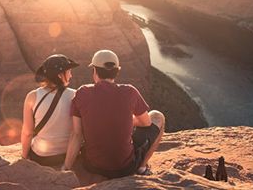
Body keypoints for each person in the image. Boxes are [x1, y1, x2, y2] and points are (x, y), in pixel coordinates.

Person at [62, 49, 165, 177]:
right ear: (117, 71)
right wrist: (127, 120)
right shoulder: (130, 92)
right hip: (125, 168)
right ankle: (142, 168)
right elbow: (146, 123)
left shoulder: (82, 93)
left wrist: (65, 168)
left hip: (92, 166)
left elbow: (76, 134)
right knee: (157, 116)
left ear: (94, 71)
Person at [21, 54, 79, 166]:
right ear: (60, 75)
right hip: (66, 154)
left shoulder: (32, 96)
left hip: (41, 156)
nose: (71, 75)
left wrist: (24, 157)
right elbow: (76, 132)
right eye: (69, 72)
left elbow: (27, 132)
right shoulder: (76, 95)